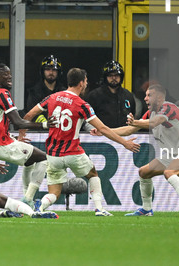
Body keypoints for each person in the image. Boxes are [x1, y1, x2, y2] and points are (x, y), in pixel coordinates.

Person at [23, 68, 140, 216]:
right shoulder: (82, 105)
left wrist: (21, 135)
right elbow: (103, 128)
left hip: (53, 154)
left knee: (55, 192)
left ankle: (40, 206)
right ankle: (99, 209)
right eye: (85, 81)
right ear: (81, 83)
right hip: (72, 151)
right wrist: (124, 143)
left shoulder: (52, 97)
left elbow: (29, 115)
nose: (86, 84)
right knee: (93, 174)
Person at [112, 84, 179, 218]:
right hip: (175, 155)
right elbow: (129, 130)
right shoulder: (151, 112)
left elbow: (155, 122)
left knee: (170, 172)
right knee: (144, 172)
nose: (145, 98)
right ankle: (146, 209)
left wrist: (135, 122)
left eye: (149, 95)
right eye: (145, 95)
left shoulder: (169, 108)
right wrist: (104, 131)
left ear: (160, 97)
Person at [0, 63, 55, 208]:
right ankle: (28, 199)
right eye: (6, 74)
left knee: (29, 162)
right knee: (43, 158)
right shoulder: (2, 94)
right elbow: (18, 122)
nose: (10, 77)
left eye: (10, 74)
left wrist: (12, 138)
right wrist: (45, 125)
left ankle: (27, 198)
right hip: (1, 145)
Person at [85, 60, 136, 128]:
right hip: (101, 136)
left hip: (124, 135)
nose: (114, 78)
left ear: (121, 77)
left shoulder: (128, 95)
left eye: (117, 75)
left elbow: (133, 115)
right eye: (110, 75)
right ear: (105, 77)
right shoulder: (94, 96)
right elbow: (87, 119)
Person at [25, 55, 65, 122]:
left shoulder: (64, 92)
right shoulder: (34, 92)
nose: (51, 72)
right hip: (39, 130)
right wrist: (45, 123)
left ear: (59, 72)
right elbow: (31, 113)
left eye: (54, 70)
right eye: (48, 69)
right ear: (42, 71)